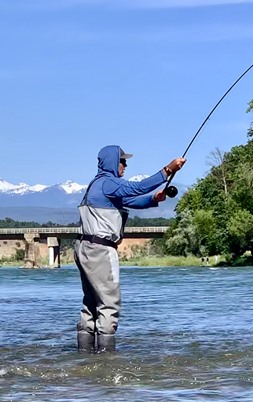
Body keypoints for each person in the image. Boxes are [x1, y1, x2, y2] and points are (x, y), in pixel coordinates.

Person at [74, 145, 186, 353]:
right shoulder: (109, 183)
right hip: (100, 250)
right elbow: (136, 188)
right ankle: (106, 363)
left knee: (91, 304)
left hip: (85, 247)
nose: (125, 164)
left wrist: (154, 199)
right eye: (122, 160)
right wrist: (168, 170)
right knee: (109, 304)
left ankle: (84, 358)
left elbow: (132, 200)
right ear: (112, 162)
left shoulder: (98, 185)